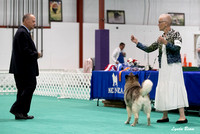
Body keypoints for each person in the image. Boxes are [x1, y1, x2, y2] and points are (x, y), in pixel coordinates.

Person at [130, 14, 189, 124]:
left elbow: (177, 49)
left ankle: (182, 116)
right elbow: (149, 49)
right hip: (164, 67)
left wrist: (165, 42)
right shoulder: (161, 37)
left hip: (174, 66)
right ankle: (165, 115)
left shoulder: (176, 34)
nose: (158, 24)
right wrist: (137, 43)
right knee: (163, 88)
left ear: (165, 23)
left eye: (159, 22)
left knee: (176, 87)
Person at [9, 14, 41, 120]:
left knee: (22, 89)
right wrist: (36, 54)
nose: (35, 23)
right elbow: (25, 51)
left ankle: (21, 113)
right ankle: (16, 109)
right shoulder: (22, 33)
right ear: (25, 21)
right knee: (30, 86)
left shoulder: (22, 32)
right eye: (33, 21)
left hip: (21, 68)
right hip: (24, 68)